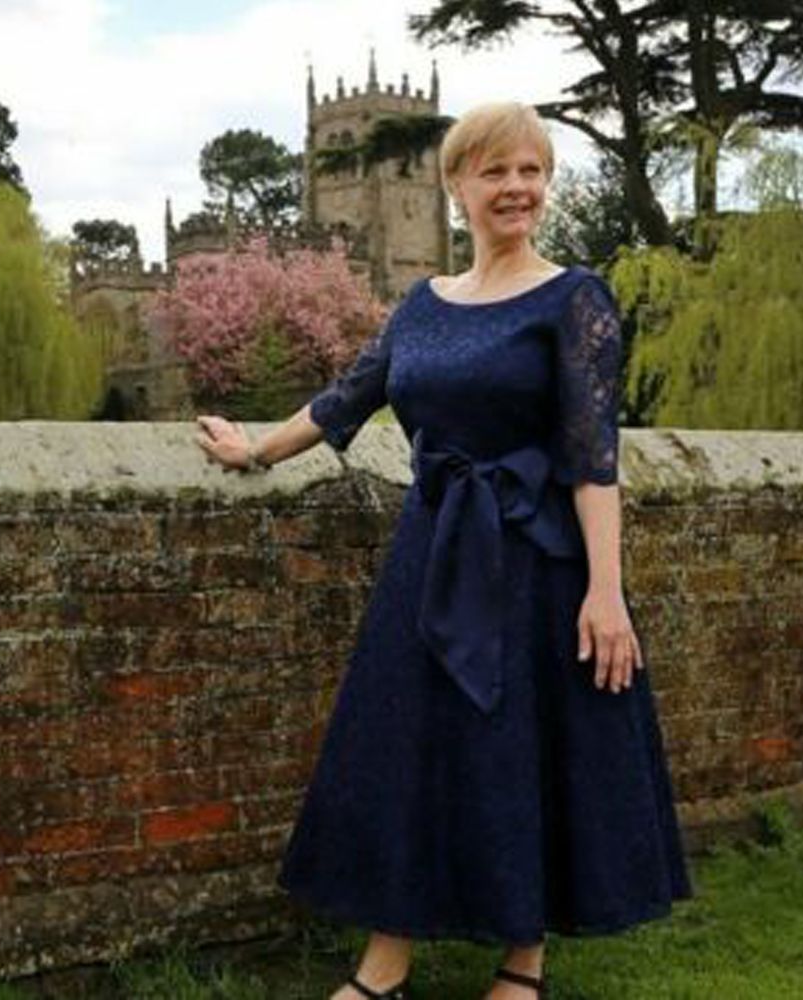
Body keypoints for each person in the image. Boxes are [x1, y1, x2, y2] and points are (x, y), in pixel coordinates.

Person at [196, 101, 694, 1000]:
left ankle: (523, 961)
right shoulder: (422, 306)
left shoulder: (574, 298)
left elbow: (592, 457)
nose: (516, 188)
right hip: (430, 560)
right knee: (410, 755)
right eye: (495, 171)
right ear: (455, 184)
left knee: (525, 752)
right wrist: (256, 449)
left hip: (537, 564)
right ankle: (384, 965)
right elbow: (350, 395)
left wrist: (607, 592)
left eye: (531, 171)